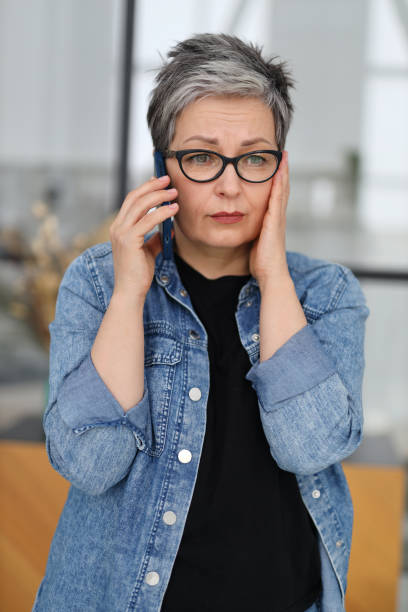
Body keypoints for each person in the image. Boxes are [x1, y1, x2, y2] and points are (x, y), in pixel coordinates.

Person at [32, 34, 369, 612]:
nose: (230, 185)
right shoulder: (98, 282)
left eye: (255, 158)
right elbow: (90, 464)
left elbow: (308, 447)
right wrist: (129, 294)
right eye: (202, 156)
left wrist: (274, 277)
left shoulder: (326, 294)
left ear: (280, 171)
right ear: (163, 166)